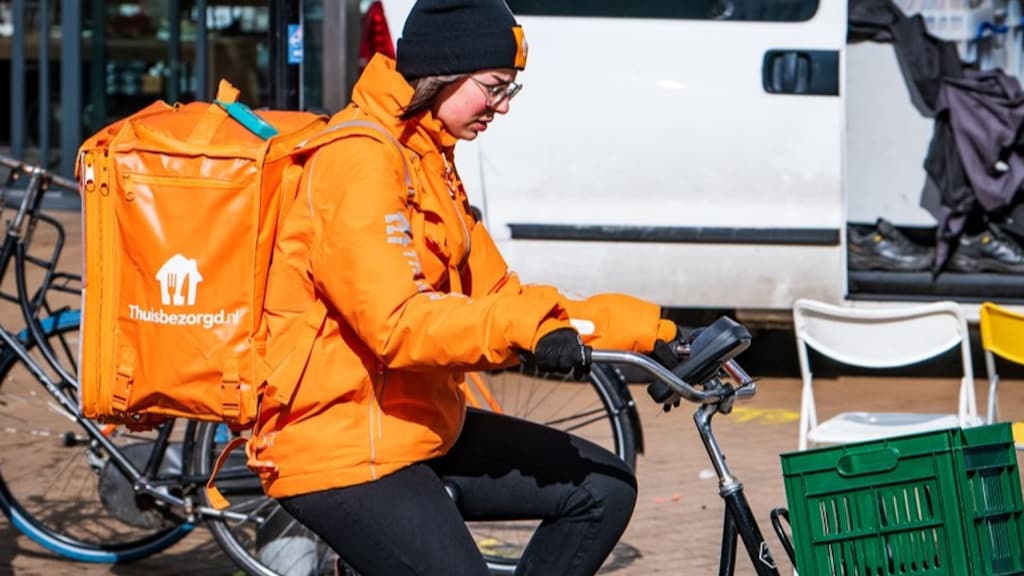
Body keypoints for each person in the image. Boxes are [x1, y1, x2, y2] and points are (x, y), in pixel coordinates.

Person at [253, 0, 682, 574]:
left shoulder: (430, 160)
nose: (502, 107)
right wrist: (524, 333)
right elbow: (398, 325)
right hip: (343, 447)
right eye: (495, 87)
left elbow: (501, 295)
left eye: (512, 90)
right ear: (441, 73)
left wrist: (654, 337)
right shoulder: (358, 163)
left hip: (415, 427)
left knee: (603, 488)